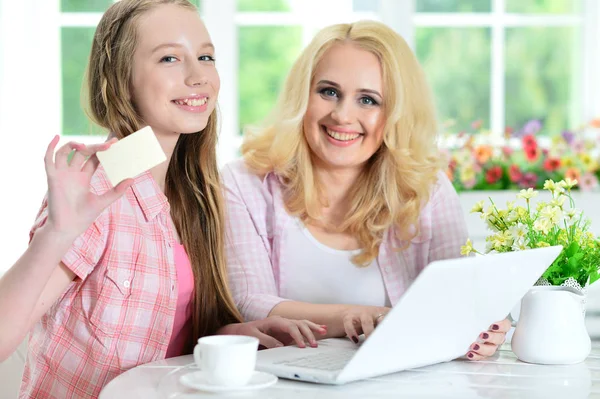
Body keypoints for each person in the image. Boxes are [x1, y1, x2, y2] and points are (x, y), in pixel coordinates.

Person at [0, 1, 325, 397]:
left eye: (206, 57)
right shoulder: (100, 188)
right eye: (169, 58)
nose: (197, 76)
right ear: (121, 80)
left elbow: (160, 335)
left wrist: (227, 336)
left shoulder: (192, 194)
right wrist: (57, 234)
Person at [222, 20, 510, 361]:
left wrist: (481, 324)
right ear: (302, 95)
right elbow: (249, 301)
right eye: (328, 91)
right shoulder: (244, 183)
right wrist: (355, 317)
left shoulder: (426, 190)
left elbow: (456, 298)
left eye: (368, 100)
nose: (343, 115)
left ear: (397, 115)